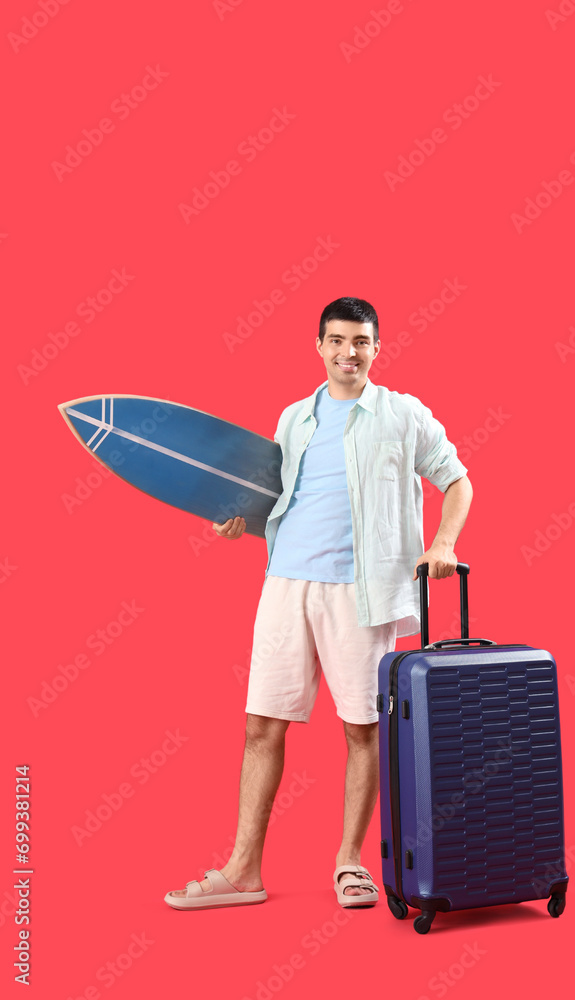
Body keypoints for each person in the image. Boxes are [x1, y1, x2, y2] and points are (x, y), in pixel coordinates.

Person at [165, 297, 473, 910]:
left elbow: (458, 480)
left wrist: (442, 541)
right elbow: (279, 499)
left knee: (362, 730)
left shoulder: (402, 415)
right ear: (319, 346)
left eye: (360, 341)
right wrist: (239, 523)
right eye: (336, 340)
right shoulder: (294, 419)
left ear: (377, 348)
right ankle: (243, 870)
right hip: (285, 584)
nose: (347, 353)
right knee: (260, 726)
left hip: (360, 594)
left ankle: (350, 863)